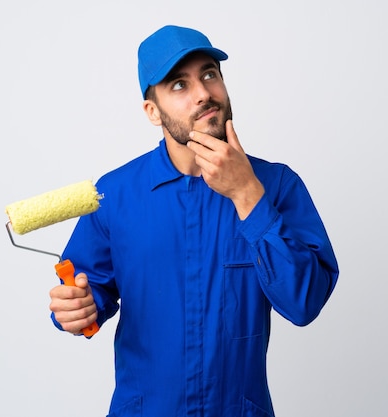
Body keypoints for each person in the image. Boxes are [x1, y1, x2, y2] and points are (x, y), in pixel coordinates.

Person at [49, 25, 339, 417]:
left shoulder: (277, 185)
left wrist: (247, 195)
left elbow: (304, 303)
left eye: (209, 74)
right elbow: (86, 290)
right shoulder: (115, 194)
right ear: (153, 111)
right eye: (179, 85)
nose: (203, 92)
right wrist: (77, 307)